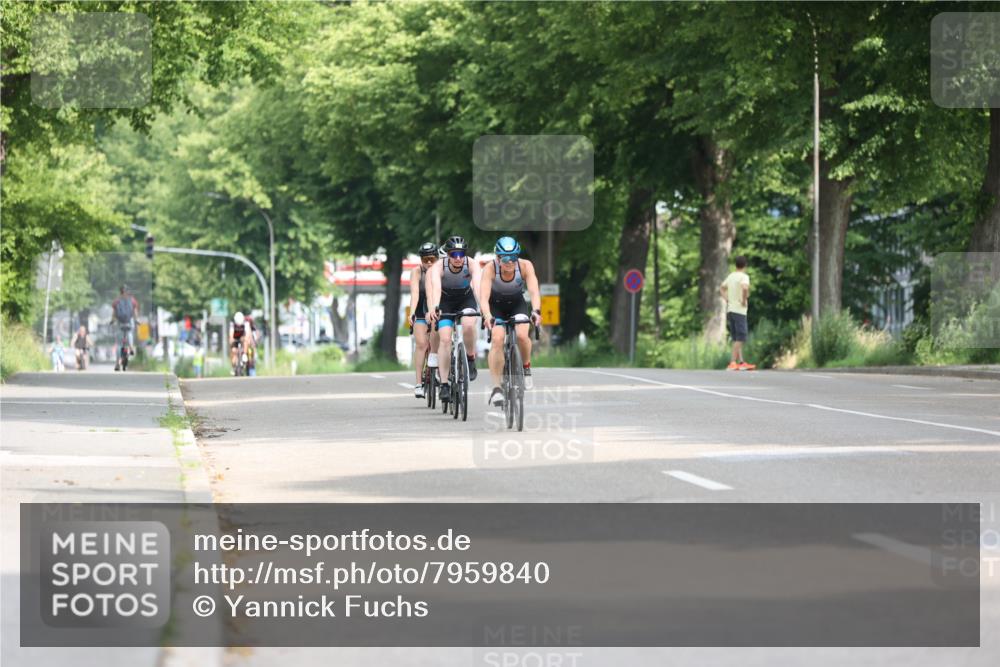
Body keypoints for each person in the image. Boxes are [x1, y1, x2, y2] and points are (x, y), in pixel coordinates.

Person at [480, 236, 542, 406]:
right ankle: (497, 388)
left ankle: (526, 368)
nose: (510, 262)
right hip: (496, 306)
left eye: (514, 258)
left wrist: (536, 312)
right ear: (497, 258)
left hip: (516, 304)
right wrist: (487, 316)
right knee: (498, 339)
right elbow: (484, 298)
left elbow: (534, 291)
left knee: (522, 336)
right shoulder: (489, 269)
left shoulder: (525, 266)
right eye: (506, 258)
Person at [426, 236, 483, 403]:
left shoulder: (472, 264)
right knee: (444, 339)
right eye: (453, 254)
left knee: (468, 325)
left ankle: (471, 358)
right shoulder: (438, 266)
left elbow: (478, 289)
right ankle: (444, 384)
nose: (458, 258)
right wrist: (434, 309)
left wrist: (486, 312)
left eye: (461, 254)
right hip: (445, 301)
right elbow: (436, 289)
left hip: (466, 298)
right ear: (448, 255)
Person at [408, 242, 441, 398]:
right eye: (425, 259)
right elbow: (415, 293)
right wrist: (412, 313)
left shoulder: (441, 270)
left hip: (437, 308)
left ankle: (444, 373)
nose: (428, 263)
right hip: (421, 310)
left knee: (443, 340)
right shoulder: (416, 272)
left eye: (432, 259)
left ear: (437, 259)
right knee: (421, 343)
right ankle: (418, 383)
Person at [720, 255, 756, 370]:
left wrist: (727, 299)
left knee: (736, 338)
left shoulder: (731, 276)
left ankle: (741, 363)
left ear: (736, 265)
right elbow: (745, 288)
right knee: (741, 337)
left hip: (730, 310)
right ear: (745, 265)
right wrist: (744, 300)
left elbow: (721, 288)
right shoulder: (744, 277)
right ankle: (732, 362)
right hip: (739, 311)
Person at [111, 285, 139, 358]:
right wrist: (136, 320)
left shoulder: (116, 301)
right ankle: (131, 346)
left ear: (120, 292)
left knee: (119, 342)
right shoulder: (132, 300)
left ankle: (117, 362)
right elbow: (135, 311)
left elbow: (114, 312)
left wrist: (112, 320)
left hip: (120, 322)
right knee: (130, 332)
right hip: (129, 321)